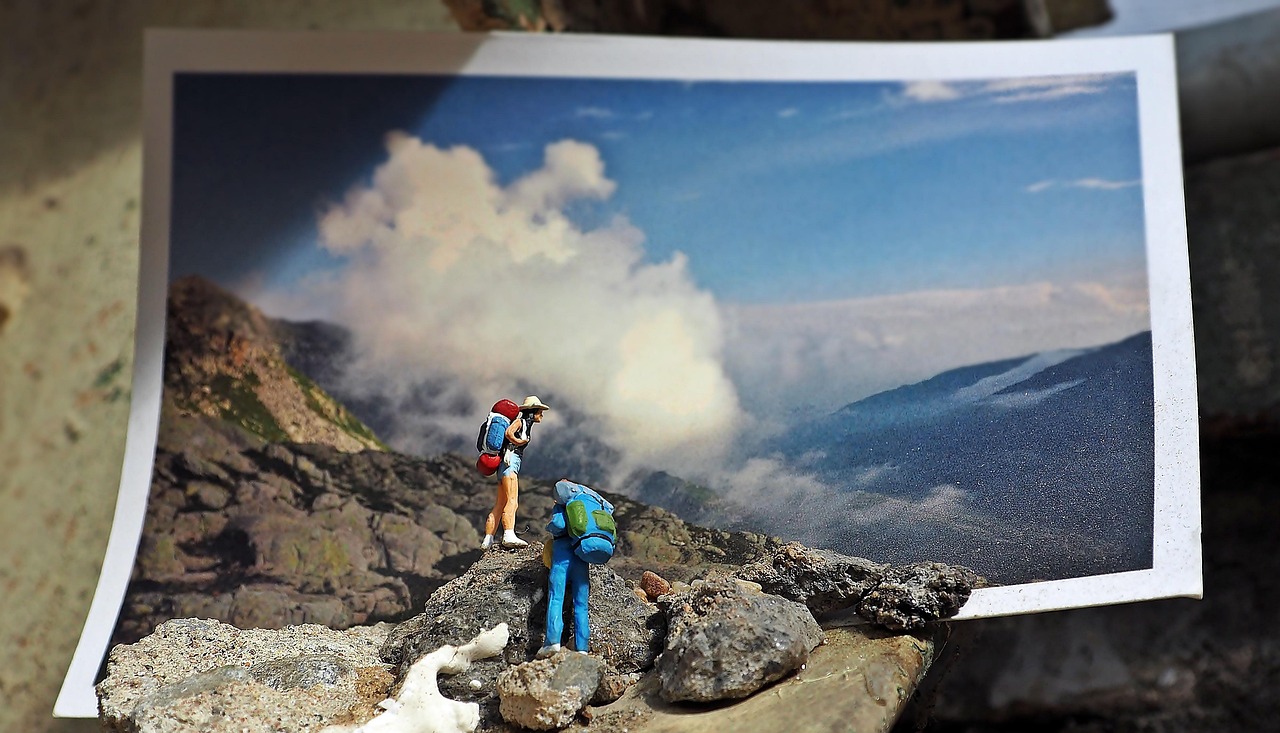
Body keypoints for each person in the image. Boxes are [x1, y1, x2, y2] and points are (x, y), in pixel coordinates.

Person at [538, 480, 614, 657]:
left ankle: (552, 641)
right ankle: (582, 647)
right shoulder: (591, 504)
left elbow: (558, 525)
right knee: (581, 605)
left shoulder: (562, 506)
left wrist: (549, 527)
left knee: (556, 597)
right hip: (581, 557)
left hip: (562, 557)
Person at [481, 396, 550, 549]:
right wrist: (519, 442)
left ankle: (488, 539)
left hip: (504, 465)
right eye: (539, 411)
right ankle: (508, 534)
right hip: (510, 462)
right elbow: (508, 433)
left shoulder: (524, 423)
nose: (541, 415)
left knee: (500, 503)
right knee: (512, 500)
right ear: (532, 411)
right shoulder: (520, 422)